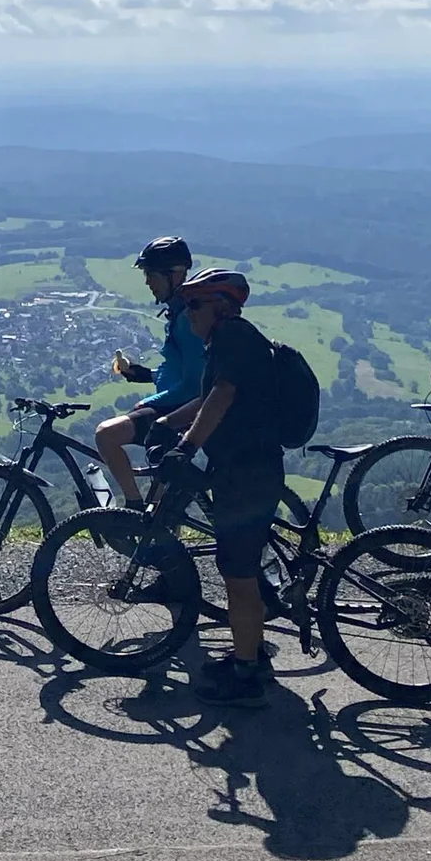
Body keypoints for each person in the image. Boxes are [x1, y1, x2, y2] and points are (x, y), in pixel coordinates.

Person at [148, 268, 283, 709]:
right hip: (245, 471)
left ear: (219, 307)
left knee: (239, 576)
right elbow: (208, 398)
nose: (187, 315)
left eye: (194, 305)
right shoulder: (231, 341)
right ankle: (252, 655)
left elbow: (222, 396)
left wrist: (186, 448)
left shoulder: (231, 339)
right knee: (238, 570)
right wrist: (167, 423)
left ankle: (247, 675)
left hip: (246, 475)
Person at [95, 236, 205, 508]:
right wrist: (144, 374)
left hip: (181, 410)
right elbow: (178, 372)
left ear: (174, 275)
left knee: (105, 435)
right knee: (163, 508)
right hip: (179, 406)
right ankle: (158, 532)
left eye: (151, 274)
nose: (147, 282)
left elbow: (194, 385)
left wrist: (148, 402)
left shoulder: (188, 320)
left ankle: (132, 508)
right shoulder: (181, 313)